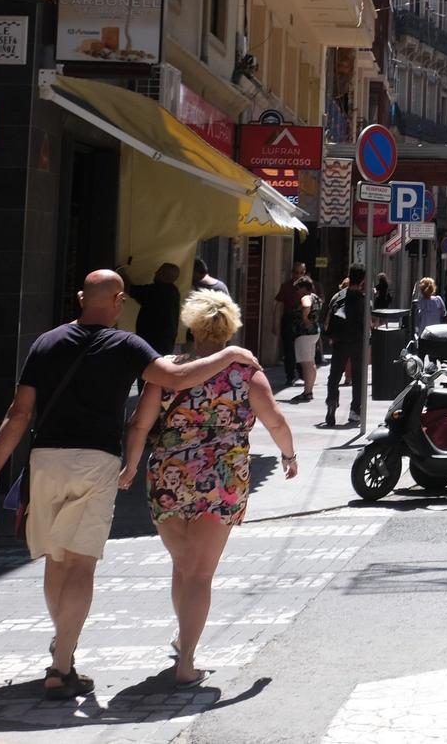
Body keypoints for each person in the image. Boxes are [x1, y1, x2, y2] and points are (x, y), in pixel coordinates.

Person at [0, 270, 259, 701]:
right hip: (95, 462)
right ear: (119, 301)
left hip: (44, 459)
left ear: (81, 297)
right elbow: (175, 378)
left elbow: (18, 413)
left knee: (56, 558)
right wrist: (231, 352)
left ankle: (62, 646)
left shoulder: (45, 343)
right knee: (81, 563)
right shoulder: (126, 344)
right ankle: (61, 664)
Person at [119, 290, 298, 688]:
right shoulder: (245, 372)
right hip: (222, 478)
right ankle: (186, 660)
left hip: (168, 475)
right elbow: (276, 422)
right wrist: (288, 455)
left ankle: (184, 640)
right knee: (200, 574)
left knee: (183, 567)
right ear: (229, 327)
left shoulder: (167, 371)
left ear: (191, 326)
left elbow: (140, 424)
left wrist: (130, 465)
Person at [320, 265, 368, 428]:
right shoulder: (363, 299)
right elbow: (369, 322)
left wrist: (331, 336)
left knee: (334, 375)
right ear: (363, 280)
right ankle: (355, 410)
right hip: (357, 342)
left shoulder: (337, 296)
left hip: (339, 341)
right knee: (358, 376)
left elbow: (326, 318)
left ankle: (332, 402)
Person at [119, 263, 182, 354]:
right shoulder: (173, 291)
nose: (155, 272)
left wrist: (121, 273)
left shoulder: (157, 291)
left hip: (152, 342)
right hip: (165, 342)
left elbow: (130, 289)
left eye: (159, 271)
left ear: (163, 275)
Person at [274, 262, 313, 389]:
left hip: (302, 320)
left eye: (301, 273)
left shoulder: (308, 286)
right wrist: (275, 323)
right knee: (289, 350)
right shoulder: (286, 286)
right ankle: (290, 376)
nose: (298, 275)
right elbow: (278, 305)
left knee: (302, 349)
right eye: (296, 273)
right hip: (289, 319)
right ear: (292, 273)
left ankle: (302, 375)